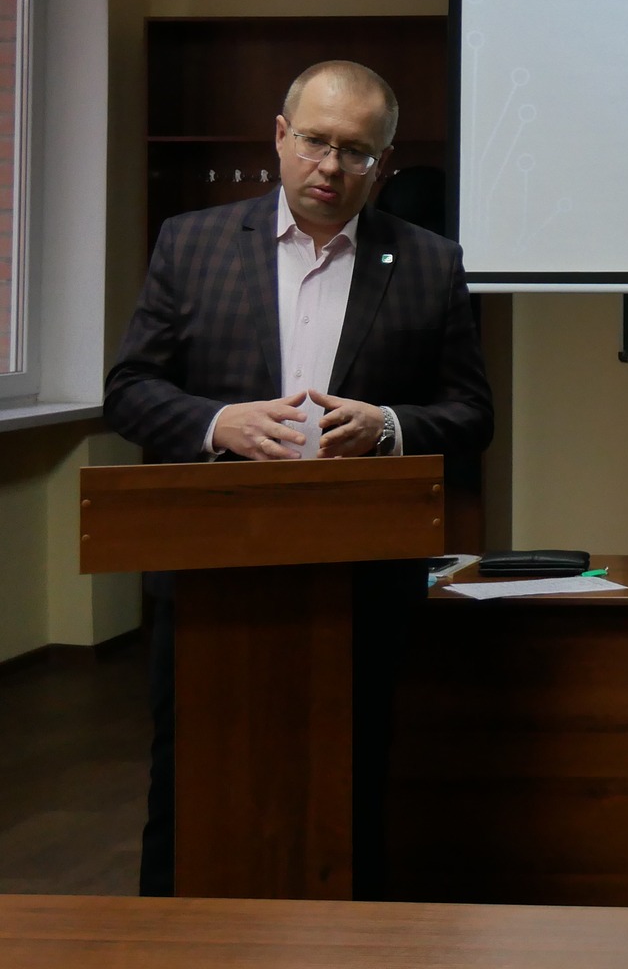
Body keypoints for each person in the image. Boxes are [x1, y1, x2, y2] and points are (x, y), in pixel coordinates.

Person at [103, 59, 493, 899]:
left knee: (353, 780)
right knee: (188, 780)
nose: (330, 166)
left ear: (384, 164)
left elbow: (472, 415)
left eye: (356, 152)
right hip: (213, 573)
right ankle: (171, 943)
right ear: (280, 137)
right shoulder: (193, 242)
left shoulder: (429, 263)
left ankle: (349, 942)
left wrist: (388, 427)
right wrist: (218, 423)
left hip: (362, 578)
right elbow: (128, 391)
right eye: (315, 141)